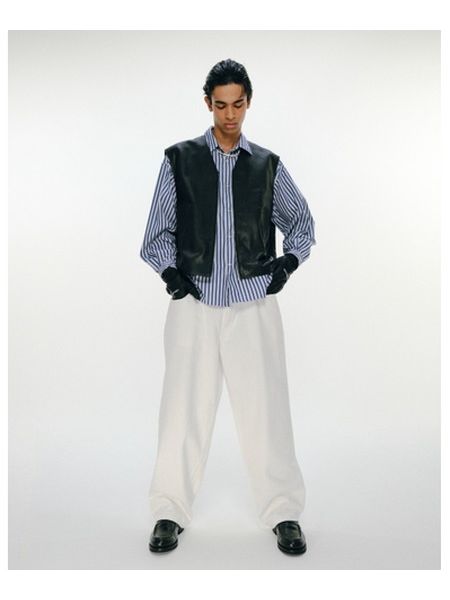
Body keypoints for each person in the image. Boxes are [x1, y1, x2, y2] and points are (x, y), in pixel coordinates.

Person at [140, 58, 316, 556]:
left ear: (248, 102)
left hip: (253, 305)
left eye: (238, 104)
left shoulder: (267, 165)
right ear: (208, 104)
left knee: (267, 410)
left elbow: (302, 223)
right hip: (193, 303)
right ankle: (169, 511)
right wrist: (170, 274)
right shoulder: (179, 160)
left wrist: (288, 263)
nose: (230, 115)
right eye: (221, 105)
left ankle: (283, 511)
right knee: (181, 410)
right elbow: (156, 232)